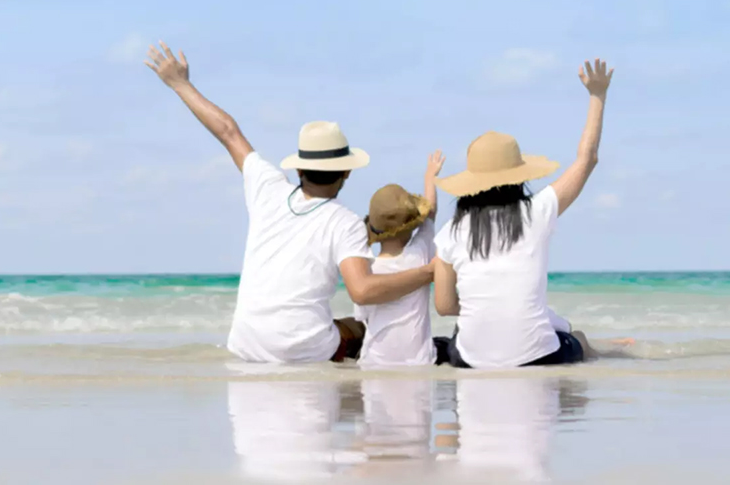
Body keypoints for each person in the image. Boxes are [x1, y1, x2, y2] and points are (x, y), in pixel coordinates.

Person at [144, 42, 434, 364]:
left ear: (298, 168)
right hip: (302, 352)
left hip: (246, 344)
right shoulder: (345, 222)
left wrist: (180, 84)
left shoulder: (267, 189)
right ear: (347, 172)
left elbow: (228, 132)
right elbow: (362, 291)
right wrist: (428, 273)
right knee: (360, 328)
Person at [431, 58, 614, 369]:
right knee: (578, 340)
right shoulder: (537, 211)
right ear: (518, 176)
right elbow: (587, 159)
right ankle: (604, 350)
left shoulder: (450, 232)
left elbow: (445, 305)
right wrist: (598, 95)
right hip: (538, 356)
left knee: (459, 337)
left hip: (471, 361)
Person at [355, 151, 451, 367]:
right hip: (420, 361)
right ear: (411, 225)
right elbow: (431, 213)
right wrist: (430, 176)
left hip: (374, 361)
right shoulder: (420, 252)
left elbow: (363, 316)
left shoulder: (367, 271)